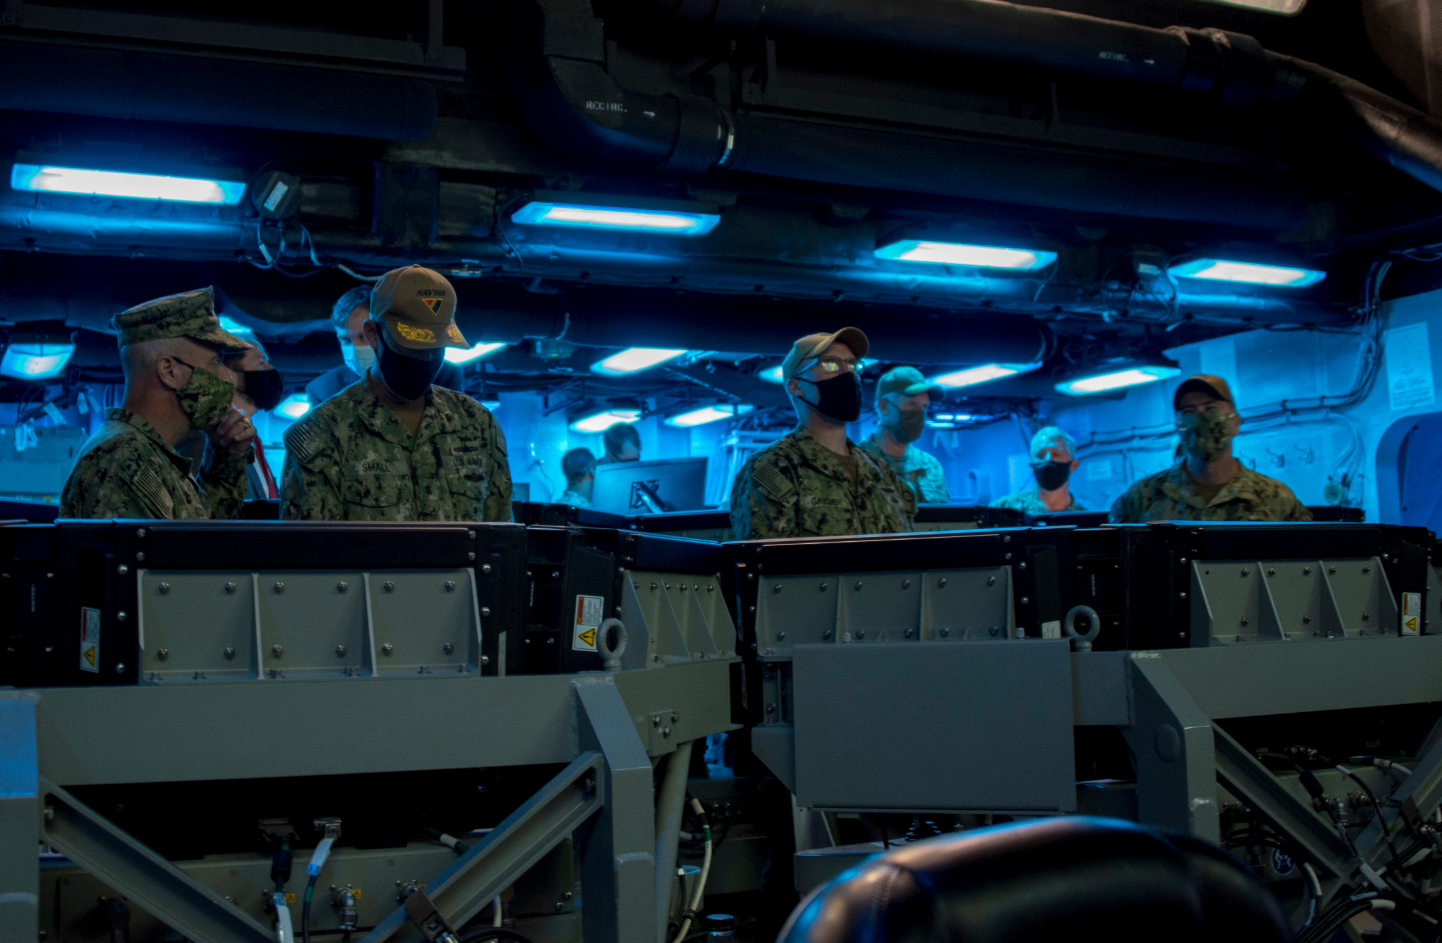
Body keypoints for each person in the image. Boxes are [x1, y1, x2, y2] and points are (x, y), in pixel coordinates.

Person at [280, 266, 512, 521]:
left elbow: (499, 532)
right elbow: (310, 544)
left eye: (436, 344)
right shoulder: (322, 433)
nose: (426, 357)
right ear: (373, 334)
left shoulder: (477, 423)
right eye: (413, 343)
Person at [60, 287, 257, 519]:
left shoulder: (148, 452)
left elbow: (202, 531)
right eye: (215, 363)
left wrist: (224, 456)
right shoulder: (124, 457)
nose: (228, 378)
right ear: (169, 371)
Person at [730, 327, 916, 539]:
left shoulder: (880, 472)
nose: (848, 373)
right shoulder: (773, 469)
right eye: (831, 364)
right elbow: (769, 557)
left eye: (852, 365)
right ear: (796, 386)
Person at [1109, 374, 1312, 523]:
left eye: (1211, 408)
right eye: (1189, 411)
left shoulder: (1275, 498)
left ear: (1235, 423)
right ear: (1179, 427)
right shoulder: (1142, 498)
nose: (1200, 418)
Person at [307, 284, 464, 405]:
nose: (355, 348)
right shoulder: (323, 390)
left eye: (364, 336)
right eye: (346, 340)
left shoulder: (443, 375)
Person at [859, 366, 949, 504]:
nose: (919, 414)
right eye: (911, 404)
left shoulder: (930, 466)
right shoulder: (856, 461)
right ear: (884, 406)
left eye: (924, 407)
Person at [223, 338, 285, 499]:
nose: (271, 369)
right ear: (229, 374)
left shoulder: (253, 440)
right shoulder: (213, 440)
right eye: (261, 362)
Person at [991, 426, 1087, 514]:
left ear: (1073, 465)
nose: (1048, 459)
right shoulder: (1003, 509)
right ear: (1031, 466)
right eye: (1041, 455)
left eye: (1056, 454)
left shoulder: (1085, 519)